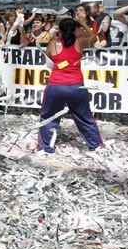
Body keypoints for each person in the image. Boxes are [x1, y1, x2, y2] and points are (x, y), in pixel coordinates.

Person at [37, 15, 104, 154]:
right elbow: (94, 37)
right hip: (77, 85)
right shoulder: (80, 42)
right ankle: (95, 145)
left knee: (49, 117)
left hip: (56, 85)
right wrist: (83, 24)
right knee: (85, 117)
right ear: (75, 30)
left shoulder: (53, 44)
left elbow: (49, 60)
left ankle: (46, 148)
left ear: (59, 30)